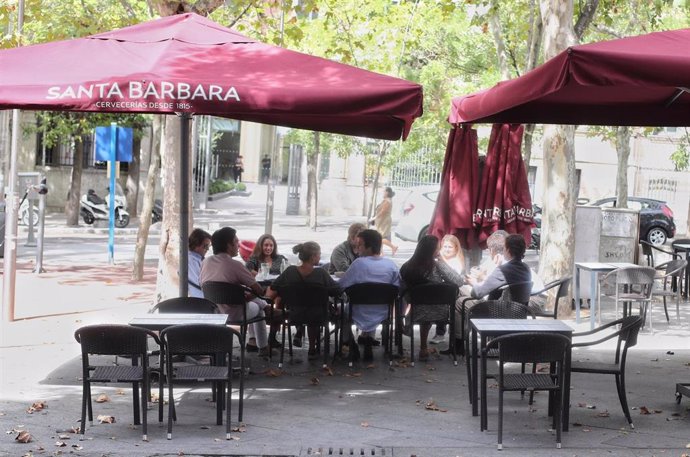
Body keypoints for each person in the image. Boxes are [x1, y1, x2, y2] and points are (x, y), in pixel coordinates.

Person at [200, 227, 274, 357]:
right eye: (236, 241)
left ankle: (253, 340)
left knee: (251, 300)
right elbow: (258, 289)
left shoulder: (206, 262)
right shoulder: (235, 265)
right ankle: (263, 347)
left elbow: (203, 284)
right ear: (229, 245)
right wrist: (246, 297)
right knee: (259, 308)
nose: (238, 244)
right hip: (235, 313)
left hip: (214, 311)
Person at [266, 241, 341, 359]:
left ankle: (298, 338)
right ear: (312, 257)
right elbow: (337, 291)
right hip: (318, 316)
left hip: (294, 315)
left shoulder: (290, 271)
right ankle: (312, 348)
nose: (320, 257)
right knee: (314, 310)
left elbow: (274, 287)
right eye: (318, 254)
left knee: (308, 309)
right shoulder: (321, 273)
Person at [339, 229, 401, 361]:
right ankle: (368, 339)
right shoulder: (391, 265)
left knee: (340, 311)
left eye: (359, 245)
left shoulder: (358, 264)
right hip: (383, 311)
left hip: (357, 311)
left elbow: (341, 285)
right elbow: (398, 288)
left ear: (369, 247)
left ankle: (350, 343)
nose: (357, 248)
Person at [400, 235, 463, 361]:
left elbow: (403, 291)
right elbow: (459, 281)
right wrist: (442, 261)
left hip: (417, 311)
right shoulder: (438, 265)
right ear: (433, 251)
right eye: (438, 248)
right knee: (430, 306)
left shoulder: (407, 267)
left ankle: (422, 346)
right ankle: (425, 348)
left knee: (423, 305)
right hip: (441, 313)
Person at [429, 234, 466, 344]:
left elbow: (454, 278)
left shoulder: (456, 261)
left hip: (451, 293)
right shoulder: (438, 260)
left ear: (456, 249)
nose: (446, 249)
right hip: (440, 290)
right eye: (444, 247)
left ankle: (440, 333)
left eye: (450, 247)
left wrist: (442, 259)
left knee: (442, 305)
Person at [371, 187, 398, 256]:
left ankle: (393, 247)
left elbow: (383, 211)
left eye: (384, 192)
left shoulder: (387, 201)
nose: (383, 193)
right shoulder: (386, 200)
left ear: (387, 193)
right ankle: (381, 252)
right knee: (381, 236)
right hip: (382, 221)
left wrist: (375, 217)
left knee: (380, 237)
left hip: (384, 221)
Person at [188, 228, 212, 299]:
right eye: (205, 246)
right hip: (203, 297)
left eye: (208, 246)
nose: (207, 249)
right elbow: (200, 282)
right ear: (196, 244)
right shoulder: (192, 261)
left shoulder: (197, 259)